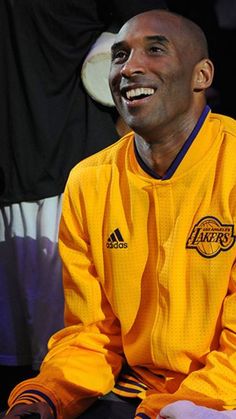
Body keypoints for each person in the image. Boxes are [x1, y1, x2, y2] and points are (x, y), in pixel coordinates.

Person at [2, 9, 236, 419]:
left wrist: (170, 409)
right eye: (120, 55)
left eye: (155, 50)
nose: (130, 68)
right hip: (136, 390)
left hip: (221, 394)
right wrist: (45, 396)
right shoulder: (89, 181)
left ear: (201, 76)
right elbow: (90, 332)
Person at [0, 0, 167, 409]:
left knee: (83, 361)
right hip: (20, 179)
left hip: (75, 174)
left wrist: (129, 142)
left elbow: (157, 41)